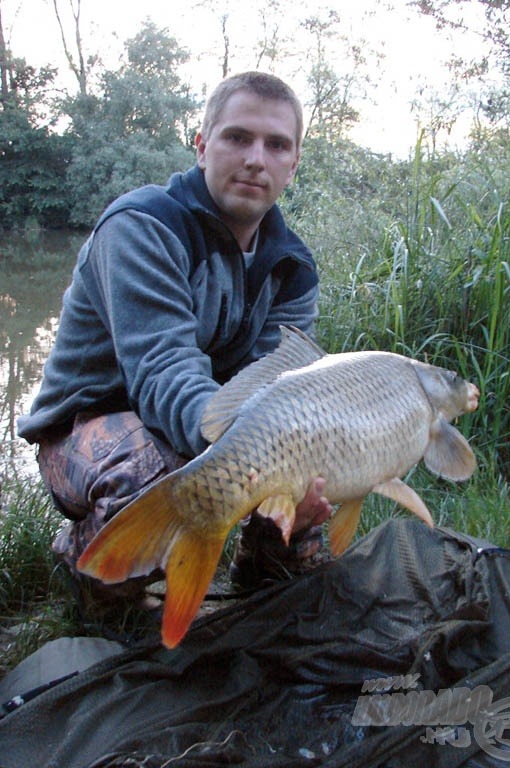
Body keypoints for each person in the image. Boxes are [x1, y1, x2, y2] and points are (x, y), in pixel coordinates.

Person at [18, 71, 332, 614]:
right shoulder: (142, 225)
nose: (256, 158)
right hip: (88, 428)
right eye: (238, 137)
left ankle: (257, 568)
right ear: (203, 145)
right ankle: (85, 561)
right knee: (157, 474)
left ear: (294, 161)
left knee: (312, 480)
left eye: (276, 144)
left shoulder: (292, 266)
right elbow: (165, 371)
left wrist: (295, 462)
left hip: (208, 428)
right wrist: (254, 453)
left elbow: (277, 387)